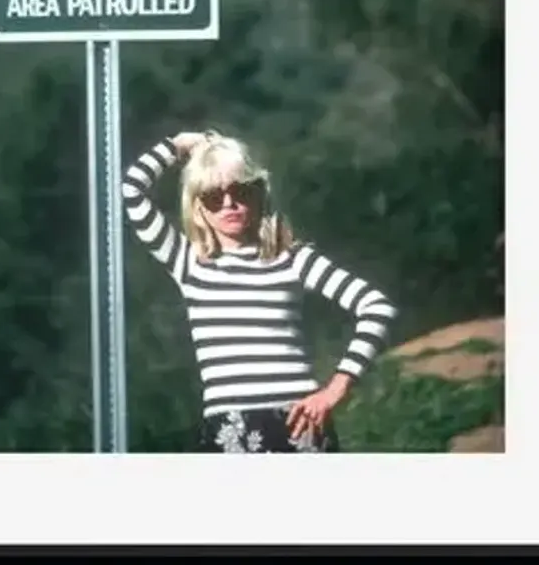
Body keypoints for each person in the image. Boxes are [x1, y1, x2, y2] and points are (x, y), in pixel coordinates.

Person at [120, 129, 399, 453]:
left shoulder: (293, 258)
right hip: (228, 430)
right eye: (213, 195)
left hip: (300, 425)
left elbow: (376, 307)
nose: (229, 203)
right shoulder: (188, 263)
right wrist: (180, 144)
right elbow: (131, 190)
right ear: (199, 208)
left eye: (240, 190)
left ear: (258, 193)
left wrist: (335, 389)